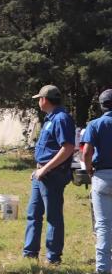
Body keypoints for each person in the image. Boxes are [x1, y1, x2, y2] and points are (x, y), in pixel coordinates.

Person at [23, 85, 75, 265]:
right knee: (33, 214)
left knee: (53, 217)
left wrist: (45, 169)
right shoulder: (50, 118)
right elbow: (49, 148)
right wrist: (38, 168)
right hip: (42, 173)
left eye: (39, 98)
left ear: (44, 99)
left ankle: (53, 258)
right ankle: (29, 254)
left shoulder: (61, 118)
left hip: (52, 175)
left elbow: (68, 148)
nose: (38, 101)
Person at [82, 89, 112, 274]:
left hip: (102, 177)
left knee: (103, 225)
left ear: (101, 106)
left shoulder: (94, 124)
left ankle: (102, 269)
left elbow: (86, 152)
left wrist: (89, 169)